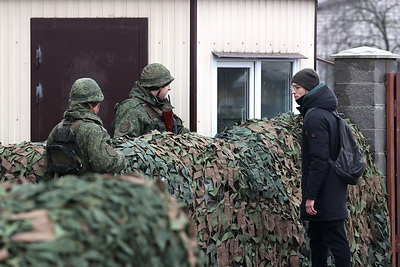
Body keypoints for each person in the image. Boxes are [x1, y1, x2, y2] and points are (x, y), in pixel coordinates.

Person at [291, 68, 350, 266]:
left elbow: (319, 160)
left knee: (335, 240)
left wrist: (311, 196)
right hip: (333, 186)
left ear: (308, 89)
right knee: (318, 240)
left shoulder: (315, 117)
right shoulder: (327, 112)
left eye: (297, 87)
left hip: (325, 191)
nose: (293, 91)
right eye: (293, 87)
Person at [45, 78, 126, 178]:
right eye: (98, 105)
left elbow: (48, 167)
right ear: (91, 105)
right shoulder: (93, 130)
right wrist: (121, 157)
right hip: (88, 191)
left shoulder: (57, 129)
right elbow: (106, 164)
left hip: (62, 190)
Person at [113, 63, 190, 138]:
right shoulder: (131, 109)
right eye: (167, 85)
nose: (169, 88)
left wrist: (197, 139)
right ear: (159, 86)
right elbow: (123, 145)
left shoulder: (160, 104)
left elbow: (179, 129)